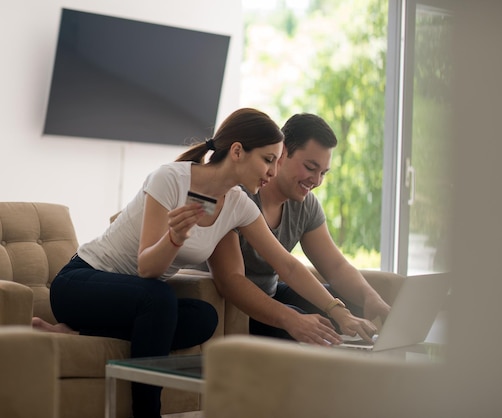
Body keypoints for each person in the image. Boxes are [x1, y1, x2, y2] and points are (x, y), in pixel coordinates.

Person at [32, 108, 376, 418]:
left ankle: (80, 331)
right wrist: (174, 238)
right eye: (268, 160)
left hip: (133, 302)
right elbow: (147, 269)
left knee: (203, 318)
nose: (272, 172)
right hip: (80, 282)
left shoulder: (238, 204)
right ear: (238, 151)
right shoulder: (171, 179)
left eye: (276, 161)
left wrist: (337, 308)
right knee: (159, 298)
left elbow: (286, 265)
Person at [209, 112, 390, 343]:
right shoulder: (238, 197)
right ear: (281, 153)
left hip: (273, 292)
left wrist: (369, 298)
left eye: (323, 173)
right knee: (312, 324)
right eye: (310, 167)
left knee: (352, 306)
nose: (316, 180)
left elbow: (335, 266)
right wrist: (293, 317)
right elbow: (231, 280)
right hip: (236, 305)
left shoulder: (305, 205)